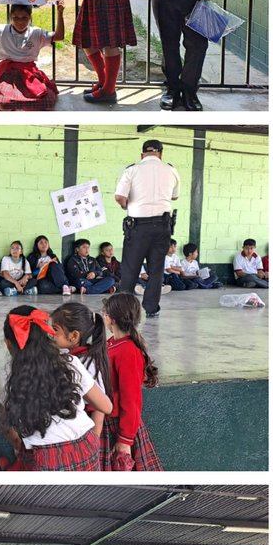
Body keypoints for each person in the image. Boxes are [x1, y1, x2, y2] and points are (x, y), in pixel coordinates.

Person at [3, 307, 112, 470]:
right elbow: (106, 407)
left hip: (44, 458)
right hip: (86, 448)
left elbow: (11, 431)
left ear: (8, 343)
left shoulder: (9, 373)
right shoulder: (70, 362)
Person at [115, 139, 181, 318]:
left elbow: (119, 197)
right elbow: (175, 196)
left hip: (138, 227)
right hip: (162, 227)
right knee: (156, 269)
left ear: (142, 154)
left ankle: (124, 310)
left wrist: (128, 205)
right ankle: (151, 308)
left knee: (130, 269)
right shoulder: (171, 170)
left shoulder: (132, 170)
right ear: (161, 154)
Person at [102, 293, 164, 471]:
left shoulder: (128, 350)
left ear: (110, 319)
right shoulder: (112, 343)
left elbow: (131, 400)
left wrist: (125, 440)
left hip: (119, 427)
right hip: (107, 421)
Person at [0, 0, 65, 110]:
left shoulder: (37, 33)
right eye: (16, 18)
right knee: (5, 102)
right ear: (11, 17)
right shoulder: (0, 30)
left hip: (29, 74)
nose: (20, 22)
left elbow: (59, 36)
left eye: (24, 18)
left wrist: (60, 13)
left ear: (30, 17)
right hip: (7, 73)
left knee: (47, 101)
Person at [50, 302, 110, 439]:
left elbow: (99, 408)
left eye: (55, 329)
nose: (51, 333)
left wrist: (94, 440)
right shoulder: (73, 356)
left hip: (86, 431)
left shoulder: (86, 363)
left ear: (74, 336)